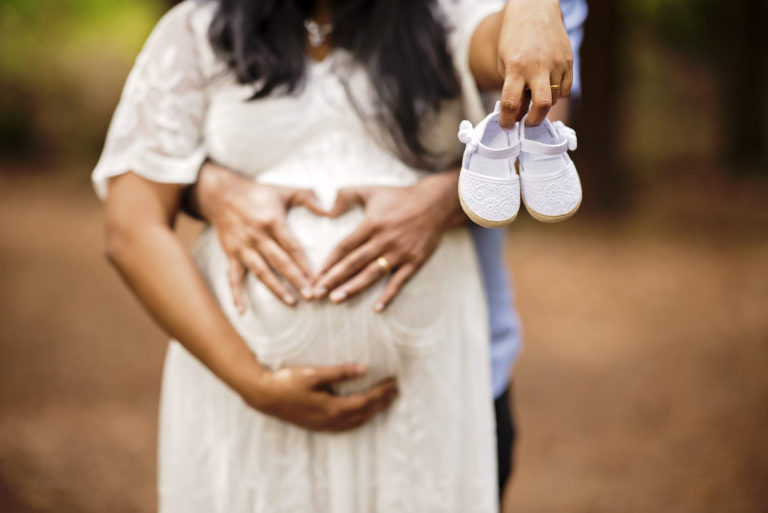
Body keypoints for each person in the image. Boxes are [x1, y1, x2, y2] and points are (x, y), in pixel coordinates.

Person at [92, 0, 576, 511]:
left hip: (421, 408)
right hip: (243, 409)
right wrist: (252, 382)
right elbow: (132, 229)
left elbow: (509, 55)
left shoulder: (448, 16)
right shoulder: (196, 31)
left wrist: (532, 9)